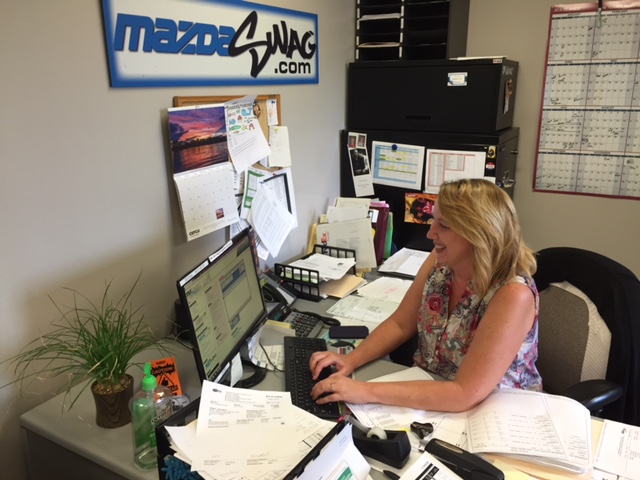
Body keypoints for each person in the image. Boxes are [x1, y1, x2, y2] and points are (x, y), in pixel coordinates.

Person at [310, 178, 542, 413]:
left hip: (492, 410)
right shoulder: (440, 261)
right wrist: (351, 360)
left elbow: (465, 393)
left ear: (478, 233)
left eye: (444, 225)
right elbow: (400, 323)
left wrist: (365, 391)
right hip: (429, 390)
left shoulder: (512, 294)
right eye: (433, 220)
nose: (431, 233)